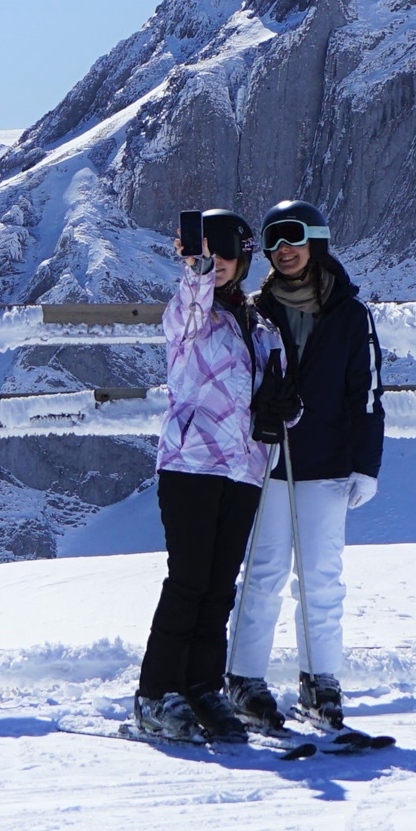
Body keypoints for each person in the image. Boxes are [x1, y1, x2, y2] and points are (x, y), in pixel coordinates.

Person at [133, 208, 294, 743]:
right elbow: (192, 302)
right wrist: (196, 268)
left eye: (227, 253)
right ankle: (155, 693)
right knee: (188, 582)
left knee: (220, 587)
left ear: (244, 259)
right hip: (192, 463)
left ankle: (202, 687)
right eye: (210, 253)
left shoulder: (261, 326)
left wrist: (285, 409)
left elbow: (276, 394)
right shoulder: (190, 312)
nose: (218, 262)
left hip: (244, 468)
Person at [225, 199, 384, 733]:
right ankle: (244, 680)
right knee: (263, 572)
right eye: (273, 241)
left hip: (327, 462)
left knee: (321, 576)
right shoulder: (254, 311)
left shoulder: (350, 314)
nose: (283, 249)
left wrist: (365, 464)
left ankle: (320, 682)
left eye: (292, 236)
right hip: (268, 460)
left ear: (316, 241)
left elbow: (367, 392)